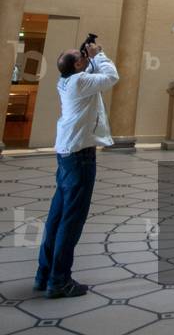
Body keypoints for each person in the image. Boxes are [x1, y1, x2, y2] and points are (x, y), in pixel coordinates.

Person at [34, 38, 118, 298]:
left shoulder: (68, 81)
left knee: (56, 218)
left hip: (67, 155)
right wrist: (99, 55)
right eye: (80, 56)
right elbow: (111, 76)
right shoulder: (81, 82)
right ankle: (59, 281)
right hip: (80, 158)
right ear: (77, 65)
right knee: (71, 220)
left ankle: (44, 274)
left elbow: (92, 76)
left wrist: (88, 57)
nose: (84, 57)